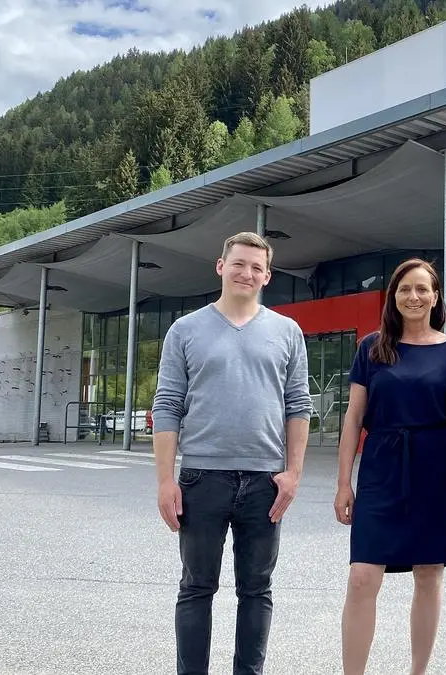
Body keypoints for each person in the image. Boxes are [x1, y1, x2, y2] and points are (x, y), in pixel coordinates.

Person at [152, 231, 313, 675]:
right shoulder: (185, 330)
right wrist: (165, 481)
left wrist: (294, 474)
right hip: (202, 478)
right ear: (221, 266)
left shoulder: (286, 331)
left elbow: (298, 405)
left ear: (267, 276)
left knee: (257, 590)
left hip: (266, 481)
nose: (247, 273)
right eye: (239, 263)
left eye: (257, 267)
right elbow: (167, 404)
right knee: (196, 588)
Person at [334, 258, 446, 675]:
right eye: (404, 289)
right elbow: (352, 419)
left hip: (438, 471)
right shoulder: (372, 348)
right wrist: (343, 483)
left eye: (422, 289)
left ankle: (418, 672)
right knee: (362, 576)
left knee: (429, 573)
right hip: (382, 467)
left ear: (435, 297)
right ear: (393, 297)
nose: (413, 297)